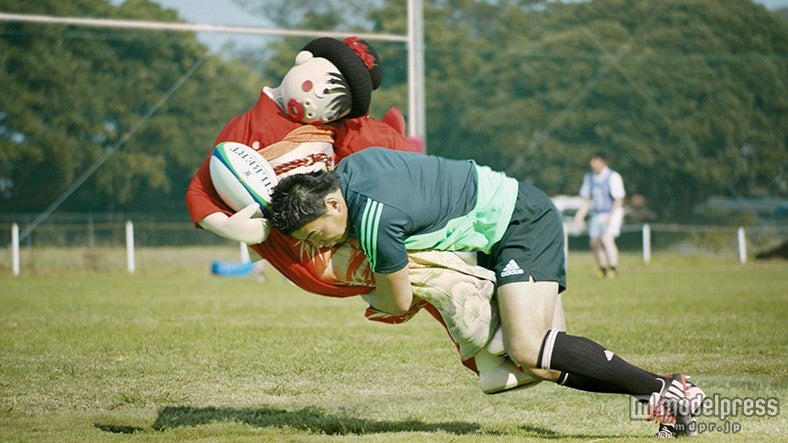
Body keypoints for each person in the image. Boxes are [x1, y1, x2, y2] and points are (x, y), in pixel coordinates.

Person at [268, 148, 705, 438]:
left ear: (331, 204)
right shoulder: (350, 168)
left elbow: (397, 302)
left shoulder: (374, 220)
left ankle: (669, 389)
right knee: (543, 362)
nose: (316, 246)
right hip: (502, 228)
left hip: (522, 223)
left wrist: (371, 298)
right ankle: (665, 395)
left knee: (527, 347)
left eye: (314, 235)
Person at [184, 37, 539, 394]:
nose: (316, 107)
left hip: (336, 232)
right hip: (308, 249)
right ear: (304, 60)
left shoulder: (333, 129)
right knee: (431, 273)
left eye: (334, 107)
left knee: (422, 271)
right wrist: (230, 224)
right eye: (319, 90)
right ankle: (502, 350)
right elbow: (201, 189)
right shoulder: (243, 131)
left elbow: (371, 150)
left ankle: (499, 354)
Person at [573, 151, 626, 278]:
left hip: (612, 211)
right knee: (594, 243)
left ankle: (613, 268)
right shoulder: (589, 178)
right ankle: (602, 269)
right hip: (597, 214)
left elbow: (619, 199)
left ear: (603, 162)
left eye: (595, 161)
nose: (592, 164)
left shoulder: (613, 176)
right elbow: (586, 200)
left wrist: (611, 216)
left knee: (607, 239)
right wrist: (579, 217)